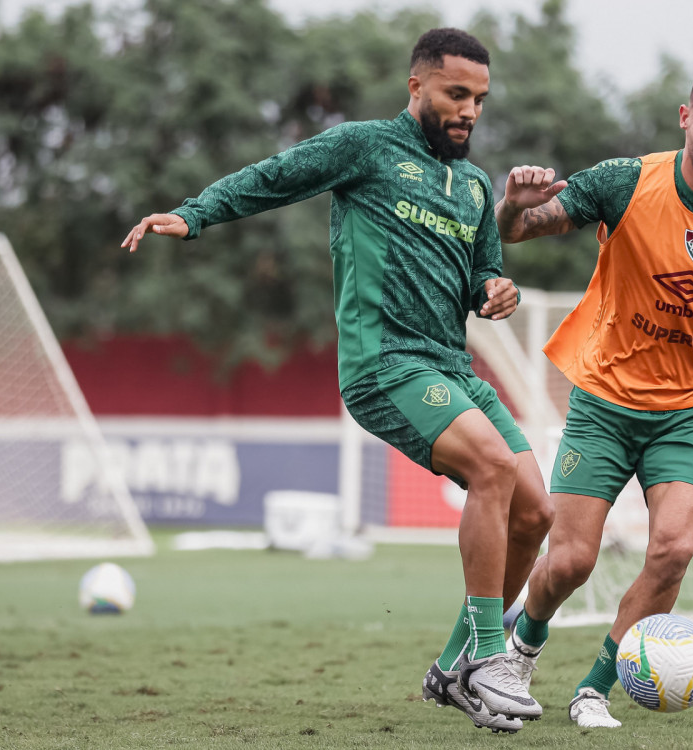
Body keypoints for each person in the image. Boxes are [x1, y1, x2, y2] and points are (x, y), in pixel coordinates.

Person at [121, 28, 551, 735]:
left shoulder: (474, 185)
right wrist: (194, 215)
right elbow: (274, 174)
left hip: (453, 369)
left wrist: (496, 290)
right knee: (495, 468)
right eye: (455, 94)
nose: (469, 110)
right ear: (416, 88)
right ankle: (485, 655)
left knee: (536, 513)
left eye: (479, 98)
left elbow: (482, 278)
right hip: (385, 364)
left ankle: (452, 670)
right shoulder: (365, 148)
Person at [493, 61, 693, 728]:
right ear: (684, 118)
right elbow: (520, 230)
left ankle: (594, 689)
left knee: (673, 549)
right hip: (604, 402)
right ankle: (525, 640)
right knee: (570, 562)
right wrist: (512, 208)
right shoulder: (627, 180)